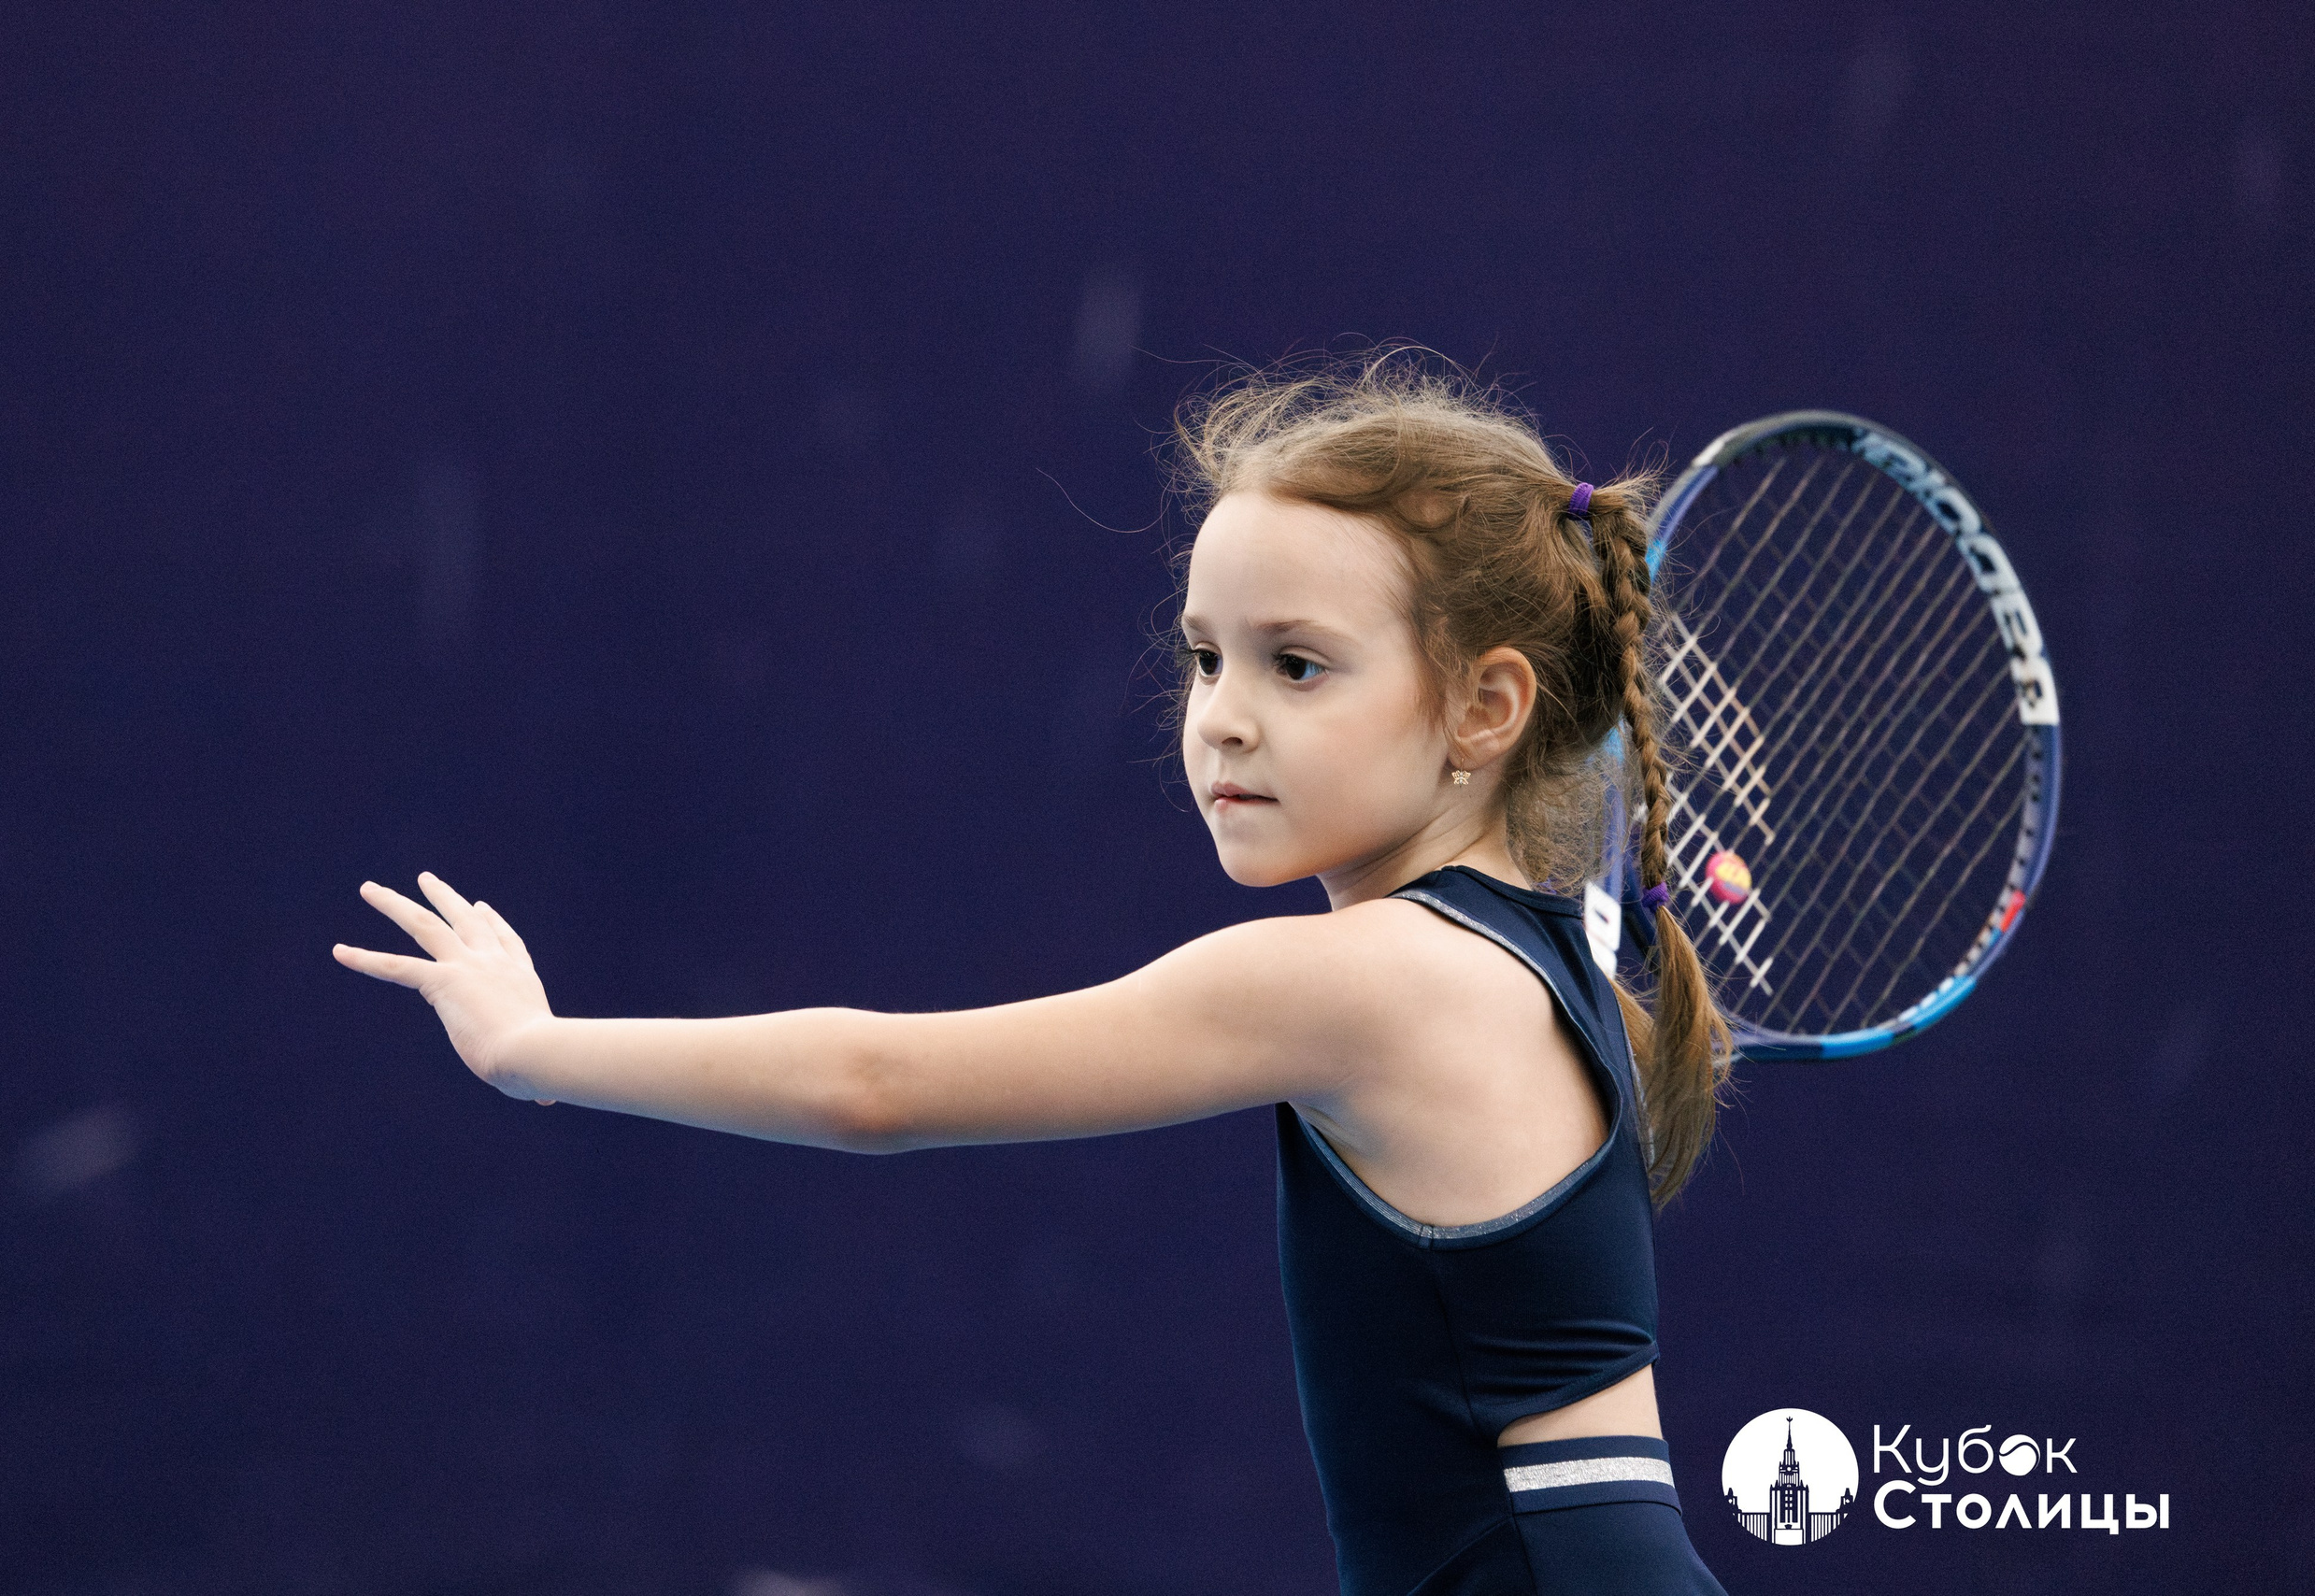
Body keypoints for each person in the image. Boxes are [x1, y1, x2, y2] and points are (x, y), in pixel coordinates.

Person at [333, 352, 1733, 1594]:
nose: (1223, 719)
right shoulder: (1543, 962)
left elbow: (873, 1084)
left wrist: (534, 1049)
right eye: (1206, 659)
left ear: (1487, 707)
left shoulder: (1367, 981)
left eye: (1299, 667)